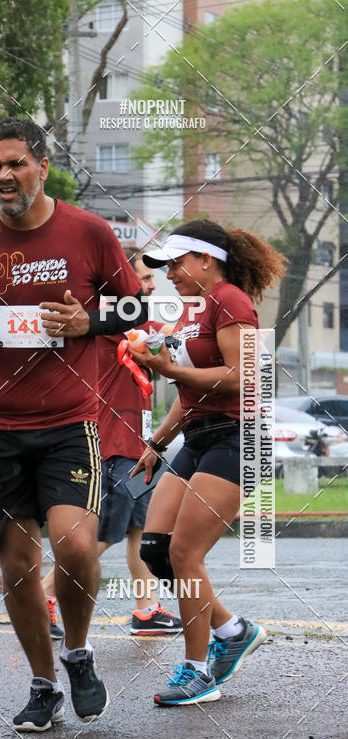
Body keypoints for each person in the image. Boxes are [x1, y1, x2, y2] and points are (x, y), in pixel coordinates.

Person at [0, 116, 151, 732]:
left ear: (42, 167)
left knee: (76, 544)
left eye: (15, 164)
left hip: (68, 421)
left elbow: (136, 305)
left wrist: (88, 323)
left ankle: (78, 651)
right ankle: (42, 683)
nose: (3, 176)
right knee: (17, 565)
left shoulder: (88, 230)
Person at [131, 219, 286, 705]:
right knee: (156, 549)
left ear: (206, 259)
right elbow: (191, 390)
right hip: (198, 436)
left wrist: (169, 368)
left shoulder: (231, 300)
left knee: (185, 554)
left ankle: (198, 671)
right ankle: (234, 629)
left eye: (176, 263)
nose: (170, 273)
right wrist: (157, 442)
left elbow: (245, 377)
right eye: (165, 266)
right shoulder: (194, 311)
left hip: (237, 436)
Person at [41, 247, 183, 637]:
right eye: (145, 279)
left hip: (139, 446)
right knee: (104, 533)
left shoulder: (131, 324)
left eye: (154, 279)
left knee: (142, 529)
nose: (153, 286)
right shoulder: (107, 326)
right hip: (112, 446)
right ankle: (42, 595)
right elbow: (160, 339)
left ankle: (147, 609)